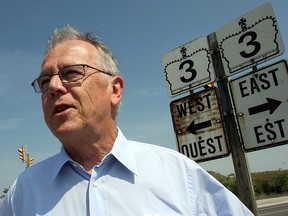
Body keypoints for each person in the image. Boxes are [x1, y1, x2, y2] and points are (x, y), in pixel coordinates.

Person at [0, 25, 254, 216]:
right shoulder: (23, 192)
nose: (53, 86)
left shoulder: (179, 175)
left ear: (115, 89)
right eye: (45, 81)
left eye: (71, 73)